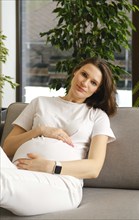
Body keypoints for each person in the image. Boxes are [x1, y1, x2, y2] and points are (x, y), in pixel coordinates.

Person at [0, 57, 117, 216]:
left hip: (61, 184)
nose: (85, 82)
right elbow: (7, 147)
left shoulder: (97, 116)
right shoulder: (39, 102)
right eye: (84, 74)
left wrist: (50, 166)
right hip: (17, 171)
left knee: (2, 182)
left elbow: (94, 168)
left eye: (93, 83)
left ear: (97, 90)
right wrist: (40, 130)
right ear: (76, 71)